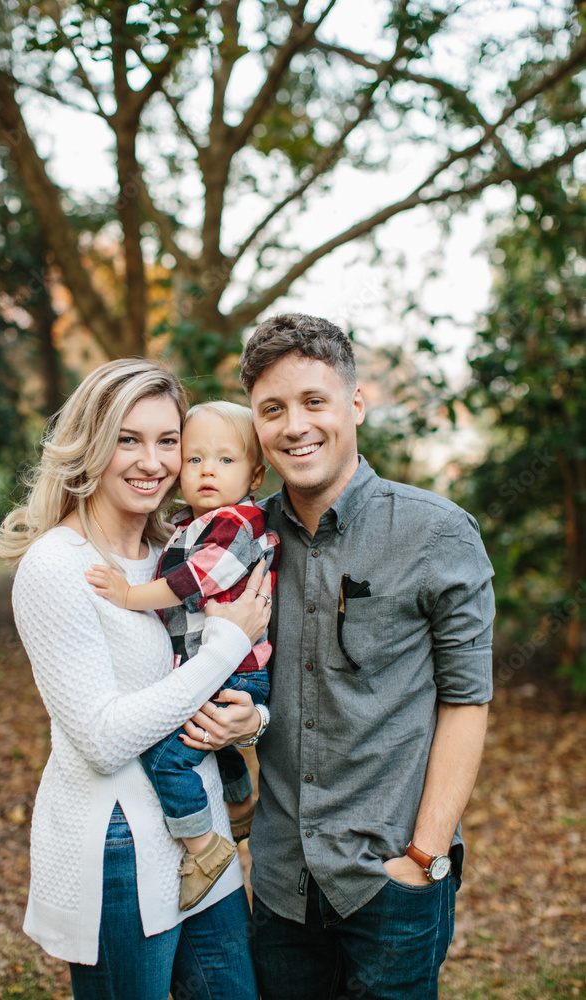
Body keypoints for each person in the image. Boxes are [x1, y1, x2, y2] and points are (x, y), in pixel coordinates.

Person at [234, 313, 495, 1000]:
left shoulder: (438, 534)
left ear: (355, 403)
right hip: (282, 880)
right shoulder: (242, 544)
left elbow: (466, 700)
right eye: (272, 409)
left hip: (391, 879)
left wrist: (424, 854)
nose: (295, 425)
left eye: (314, 401)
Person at [0, 359, 270, 1000]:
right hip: (117, 845)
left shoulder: (177, 552)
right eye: (128, 439)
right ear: (91, 445)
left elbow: (249, 670)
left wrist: (252, 720)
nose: (152, 461)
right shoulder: (57, 566)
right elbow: (103, 738)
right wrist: (226, 645)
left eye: (168, 440)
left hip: (206, 838)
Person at [85, 401, 280, 911]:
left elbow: (194, 580)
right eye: (194, 460)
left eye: (225, 460)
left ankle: (204, 848)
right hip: (219, 667)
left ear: (255, 475)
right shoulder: (190, 524)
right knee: (211, 742)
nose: (207, 470)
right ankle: (239, 806)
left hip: (235, 670)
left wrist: (129, 595)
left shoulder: (237, 525)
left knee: (167, 758)